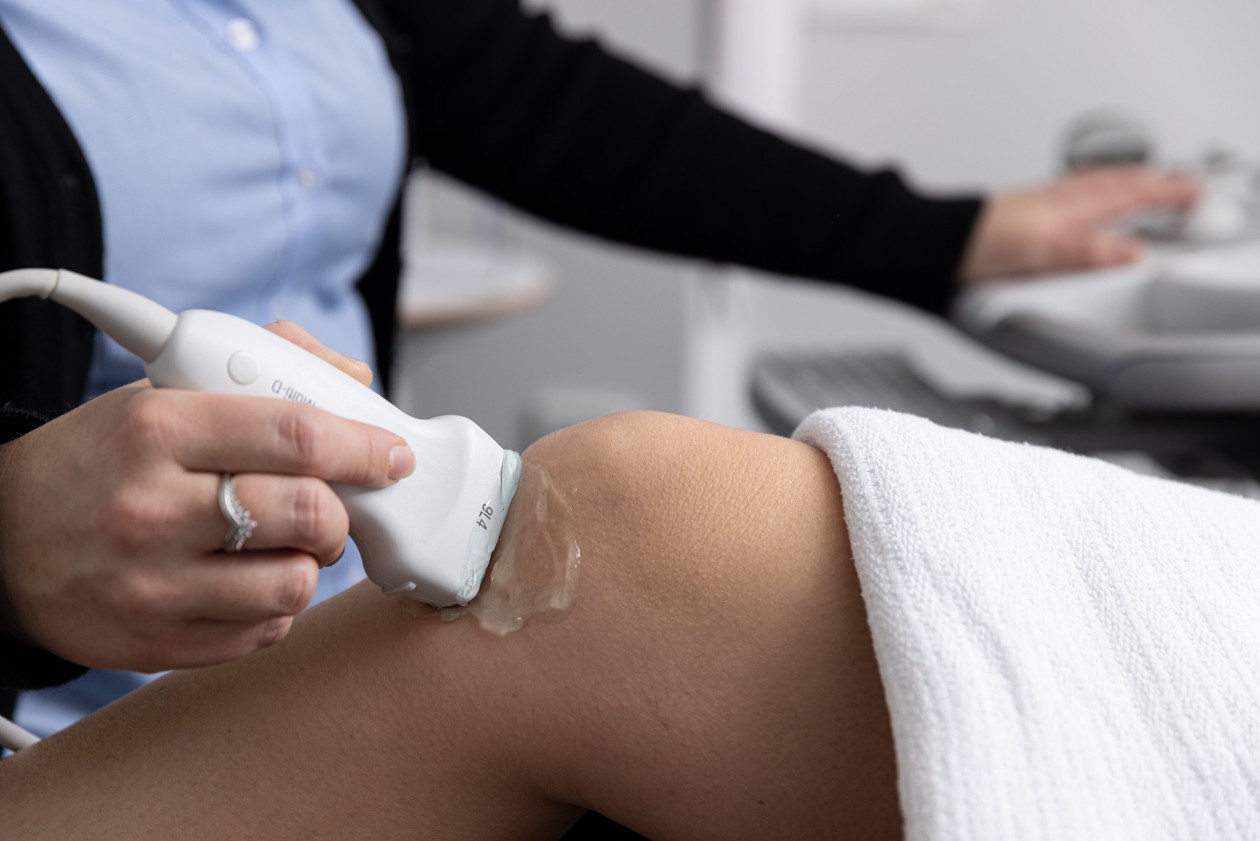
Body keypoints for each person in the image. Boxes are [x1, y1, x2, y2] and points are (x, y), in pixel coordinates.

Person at [0, 0, 1198, 755]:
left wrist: (953, 238)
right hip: (78, 727)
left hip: (362, 624)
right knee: (646, 500)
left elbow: (560, 112)